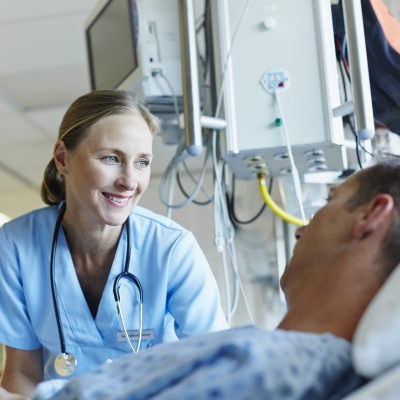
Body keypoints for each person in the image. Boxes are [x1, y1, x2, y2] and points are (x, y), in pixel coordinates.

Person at [11, 156, 400, 400]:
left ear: (372, 215)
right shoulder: (261, 350)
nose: (301, 229)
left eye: (329, 201)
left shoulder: (275, 366)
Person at [0, 90, 228, 398]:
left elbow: (218, 367)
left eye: (142, 162)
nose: (130, 181)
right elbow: (22, 372)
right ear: (62, 158)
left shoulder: (171, 248)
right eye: (111, 158)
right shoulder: (15, 245)